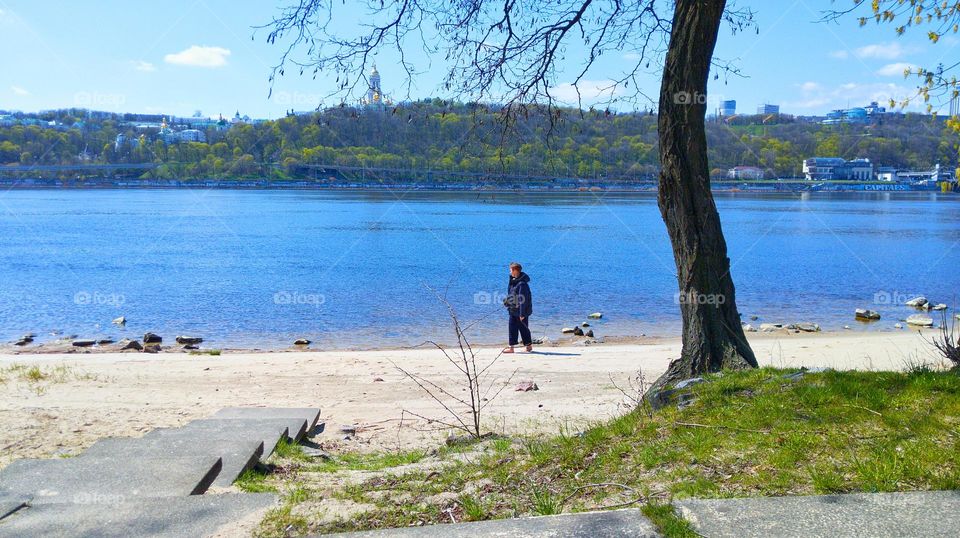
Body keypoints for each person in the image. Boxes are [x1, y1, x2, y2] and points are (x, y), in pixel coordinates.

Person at [503, 262, 533, 353]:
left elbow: (522, 300)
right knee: (512, 328)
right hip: (513, 310)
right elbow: (512, 294)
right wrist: (507, 301)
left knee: (523, 328)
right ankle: (511, 348)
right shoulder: (513, 281)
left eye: (511, 270)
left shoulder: (522, 284)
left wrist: (522, 314)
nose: (510, 271)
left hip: (521, 311)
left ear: (515, 270)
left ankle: (528, 346)